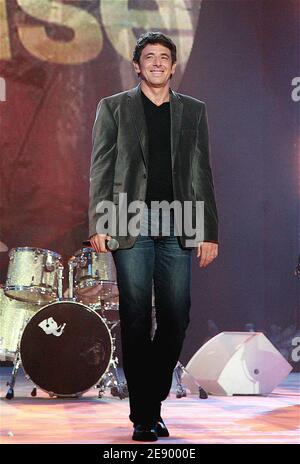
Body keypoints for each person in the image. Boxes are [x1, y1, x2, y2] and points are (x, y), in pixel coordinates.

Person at [89, 31, 218, 441]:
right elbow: (101, 168)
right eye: (150, 56)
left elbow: (202, 174)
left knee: (177, 317)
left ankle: (151, 400)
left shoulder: (193, 111)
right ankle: (144, 416)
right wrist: (99, 222)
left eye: (165, 57)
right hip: (130, 221)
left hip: (179, 222)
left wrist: (208, 231)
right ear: (137, 64)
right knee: (136, 317)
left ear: (174, 65)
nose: (157, 62)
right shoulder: (113, 108)